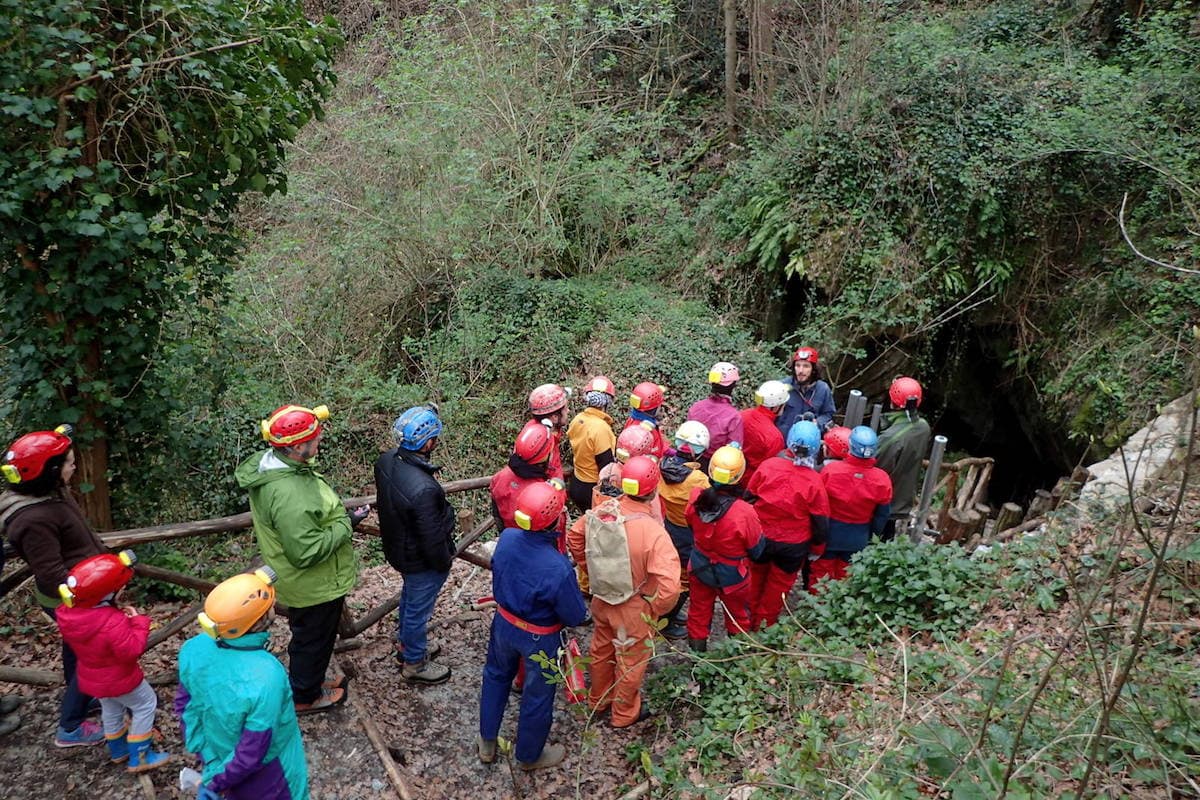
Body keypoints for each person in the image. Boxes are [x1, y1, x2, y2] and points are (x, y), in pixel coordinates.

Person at [235, 404, 365, 713]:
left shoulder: (279, 468)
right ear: (296, 447)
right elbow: (305, 551)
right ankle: (306, 695)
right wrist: (345, 524)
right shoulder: (289, 491)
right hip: (314, 582)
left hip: (305, 580)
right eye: (315, 438)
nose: (319, 442)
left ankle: (310, 682)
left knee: (311, 635)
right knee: (312, 640)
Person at [0, 424, 106, 747]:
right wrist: (88, 597)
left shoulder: (46, 493)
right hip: (72, 598)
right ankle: (70, 727)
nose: (75, 467)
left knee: (77, 652)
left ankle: (82, 698)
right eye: (70, 463)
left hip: (80, 590)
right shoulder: (33, 518)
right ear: (52, 473)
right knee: (93, 657)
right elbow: (50, 571)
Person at [478, 481, 588, 771]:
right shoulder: (557, 567)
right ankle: (529, 755)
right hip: (540, 637)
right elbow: (575, 614)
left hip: (504, 623)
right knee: (538, 694)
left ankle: (487, 740)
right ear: (553, 519)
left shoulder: (508, 538)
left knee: (495, 676)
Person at [176, 567, 309, 800]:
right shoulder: (267, 676)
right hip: (271, 773)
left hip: (217, 753)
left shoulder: (193, 648)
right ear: (260, 621)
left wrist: (209, 759)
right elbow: (255, 749)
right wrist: (215, 781)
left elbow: (186, 707)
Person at [568, 456, 680, 728]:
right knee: (630, 661)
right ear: (653, 490)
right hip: (634, 606)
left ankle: (598, 701)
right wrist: (655, 609)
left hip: (603, 597)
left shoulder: (602, 511)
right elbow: (670, 585)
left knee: (601, 651)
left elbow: (574, 535)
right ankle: (623, 714)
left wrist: (590, 569)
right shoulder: (653, 532)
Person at [56, 550, 170, 772]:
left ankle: (118, 750)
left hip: (93, 678)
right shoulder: (111, 620)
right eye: (119, 589)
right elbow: (131, 649)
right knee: (146, 705)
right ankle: (141, 756)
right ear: (105, 595)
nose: (123, 591)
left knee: (111, 709)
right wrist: (138, 622)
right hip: (121, 679)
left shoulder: (68, 615)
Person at [375, 404, 457, 685]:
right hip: (419, 559)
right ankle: (414, 663)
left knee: (411, 600)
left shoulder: (386, 461)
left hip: (399, 549)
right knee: (418, 609)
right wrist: (445, 561)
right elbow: (433, 539)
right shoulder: (423, 489)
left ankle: (408, 645)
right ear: (428, 442)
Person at [746, 422, 830, 626]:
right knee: (777, 587)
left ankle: (745, 623)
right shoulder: (814, 481)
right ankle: (764, 627)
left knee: (754, 578)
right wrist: (817, 548)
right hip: (793, 545)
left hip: (761, 537)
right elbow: (820, 520)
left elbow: (749, 497)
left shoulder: (768, 466)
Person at [684, 445, 765, 652]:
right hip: (732, 575)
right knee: (738, 616)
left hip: (700, 566)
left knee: (698, 614)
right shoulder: (745, 512)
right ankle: (735, 663)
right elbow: (757, 551)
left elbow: (690, 523)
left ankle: (698, 663)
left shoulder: (696, 498)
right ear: (739, 475)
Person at [814, 426, 892, 591]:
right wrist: (872, 537)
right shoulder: (882, 479)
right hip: (858, 537)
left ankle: (816, 611)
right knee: (846, 582)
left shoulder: (831, 471)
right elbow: (882, 516)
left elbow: (818, 505)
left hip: (829, 534)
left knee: (821, 580)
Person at [655, 421, 711, 639]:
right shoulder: (699, 480)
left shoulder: (662, 467)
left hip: (668, 525)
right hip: (688, 532)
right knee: (684, 580)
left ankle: (667, 614)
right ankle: (666, 622)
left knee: (668, 571)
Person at [875, 377, 932, 541]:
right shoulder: (923, 427)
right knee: (888, 538)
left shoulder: (891, 437)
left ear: (892, 400)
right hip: (903, 499)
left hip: (884, 504)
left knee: (873, 542)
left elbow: (877, 466)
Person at [490, 422, 557, 530]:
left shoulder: (499, 477)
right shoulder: (541, 493)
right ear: (546, 456)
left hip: (509, 534)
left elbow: (496, 514)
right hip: (532, 540)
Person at [566, 376, 617, 512]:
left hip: (576, 481)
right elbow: (606, 466)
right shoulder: (601, 428)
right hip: (591, 489)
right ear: (607, 402)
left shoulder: (577, 419)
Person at [686, 362, 744, 466]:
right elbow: (733, 452)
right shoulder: (734, 417)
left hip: (688, 459)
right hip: (714, 465)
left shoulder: (696, 407)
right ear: (733, 385)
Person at [776, 346, 836, 435]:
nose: (800, 370)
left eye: (806, 366)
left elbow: (828, 414)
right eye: (797, 365)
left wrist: (818, 423)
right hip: (782, 440)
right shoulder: (783, 386)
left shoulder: (823, 389)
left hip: (809, 440)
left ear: (813, 369)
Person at [739, 380, 788, 484]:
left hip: (733, 473)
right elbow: (770, 470)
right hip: (751, 482)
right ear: (776, 406)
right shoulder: (775, 438)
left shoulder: (742, 415)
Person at [528, 384, 571, 479]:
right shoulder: (541, 444)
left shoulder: (533, 430)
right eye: (565, 409)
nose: (568, 411)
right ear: (555, 417)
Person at [623, 382, 668, 459]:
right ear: (653, 409)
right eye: (659, 405)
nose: (661, 408)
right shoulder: (646, 430)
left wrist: (667, 450)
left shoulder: (633, 420)